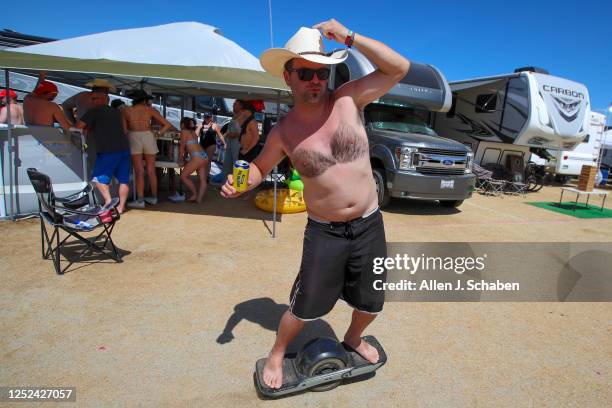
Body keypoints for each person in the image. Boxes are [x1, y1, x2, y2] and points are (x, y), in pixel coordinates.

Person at [221, 19, 410, 389]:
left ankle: (353, 338)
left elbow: (399, 68)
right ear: (288, 77)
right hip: (326, 232)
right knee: (305, 306)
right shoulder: (284, 132)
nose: (316, 80)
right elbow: (259, 167)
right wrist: (240, 183)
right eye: (305, 72)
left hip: (369, 223)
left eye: (322, 72)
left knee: (371, 301)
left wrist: (351, 38)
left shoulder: (349, 99)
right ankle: (277, 352)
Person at [75, 94, 131, 213]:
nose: (93, 101)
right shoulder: (117, 112)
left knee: (98, 179)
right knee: (123, 180)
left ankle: (108, 202)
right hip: (124, 148)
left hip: (108, 150)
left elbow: (78, 126)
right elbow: (125, 130)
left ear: (101, 99)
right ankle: (121, 207)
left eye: (94, 98)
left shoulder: (93, 111)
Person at [123, 90, 174, 208]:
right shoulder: (149, 110)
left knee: (139, 171)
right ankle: (154, 197)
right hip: (148, 135)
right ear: (145, 100)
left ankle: (140, 200)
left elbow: (124, 130)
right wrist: (157, 134)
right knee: (151, 169)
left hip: (134, 135)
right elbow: (167, 124)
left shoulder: (125, 110)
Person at [178, 117, 209, 203]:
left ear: (183, 124)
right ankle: (199, 199)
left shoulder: (184, 132)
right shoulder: (193, 133)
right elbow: (188, 148)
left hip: (197, 157)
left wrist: (180, 158)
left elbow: (182, 147)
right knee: (203, 180)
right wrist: (184, 158)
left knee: (183, 176)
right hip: (204, 156)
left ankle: (195, 194)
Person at [196, 112, 225, 180]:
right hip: (202, 144)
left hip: (211, 145)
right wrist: (199, 127)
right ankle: (201, 175)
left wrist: (224, 143)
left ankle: (206, 177)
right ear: (204, 117)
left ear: (211, 117)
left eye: (209, 117)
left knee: (208, 161)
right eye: (206, 117)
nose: (207, 118)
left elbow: (220, 135)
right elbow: (195, 135)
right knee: (201, 161)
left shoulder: (214, 125)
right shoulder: (200, 125)